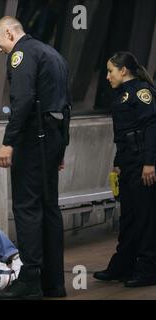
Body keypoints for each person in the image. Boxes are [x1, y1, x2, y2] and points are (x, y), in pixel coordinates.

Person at [0, 16, 71, 299]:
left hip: (33, 139)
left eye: (0, 42)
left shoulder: (23, 54)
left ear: (11, 33)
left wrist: (8, 142)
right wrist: (60, 149)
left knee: (27, 208)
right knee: (50, 208)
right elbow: (65, 105)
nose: (0, 49)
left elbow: (22, 100)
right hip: (52, 138)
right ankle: (54, 283)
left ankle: (29, 281)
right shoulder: (53, 54)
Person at [93, 51, 156, 287]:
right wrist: (118, 164)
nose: (107, 76)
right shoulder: (121, 95)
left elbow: (151, 128)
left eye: (110, 71)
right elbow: (122, 135)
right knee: (129, 217)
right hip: (129, 163)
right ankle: (123, 266)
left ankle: (148, 269)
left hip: (143, 163)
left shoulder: (141, 92)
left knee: (146, 217)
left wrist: (150, 163)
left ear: (124, 71)